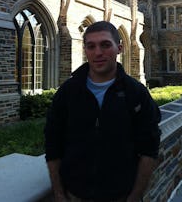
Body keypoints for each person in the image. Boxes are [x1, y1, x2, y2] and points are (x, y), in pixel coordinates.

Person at [45, 21, 161, 202]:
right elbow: (53, 144)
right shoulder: (68, 91)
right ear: (85, 50)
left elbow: (149, 148)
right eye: (91, 46)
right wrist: (59, 193)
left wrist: (135, 196)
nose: (98, 52)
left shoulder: (136, 93)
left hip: (121, 196)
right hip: (75, 195)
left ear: (119, 48)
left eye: (105, 45)